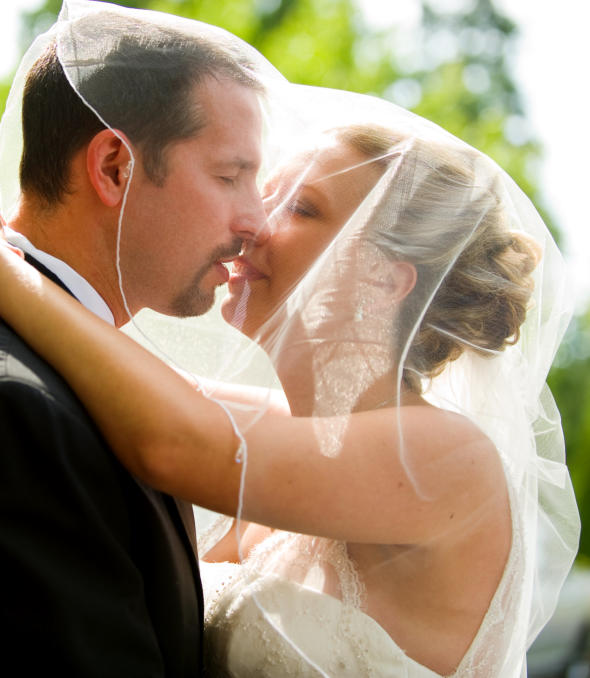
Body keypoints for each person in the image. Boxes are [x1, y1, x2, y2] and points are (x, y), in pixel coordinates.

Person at [0, 76, 580, 676]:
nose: (252, 223)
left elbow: (172, 443)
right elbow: (123, 384)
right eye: (261, 197)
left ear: (386, 279)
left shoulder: (450, 458)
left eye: (301, 208)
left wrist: (8, 275)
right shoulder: (286, 438)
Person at [0, 0, 276, 674]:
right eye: (229, 175)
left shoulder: (103, 385)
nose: (257, 220)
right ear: (114, 168)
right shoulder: (24, 407)